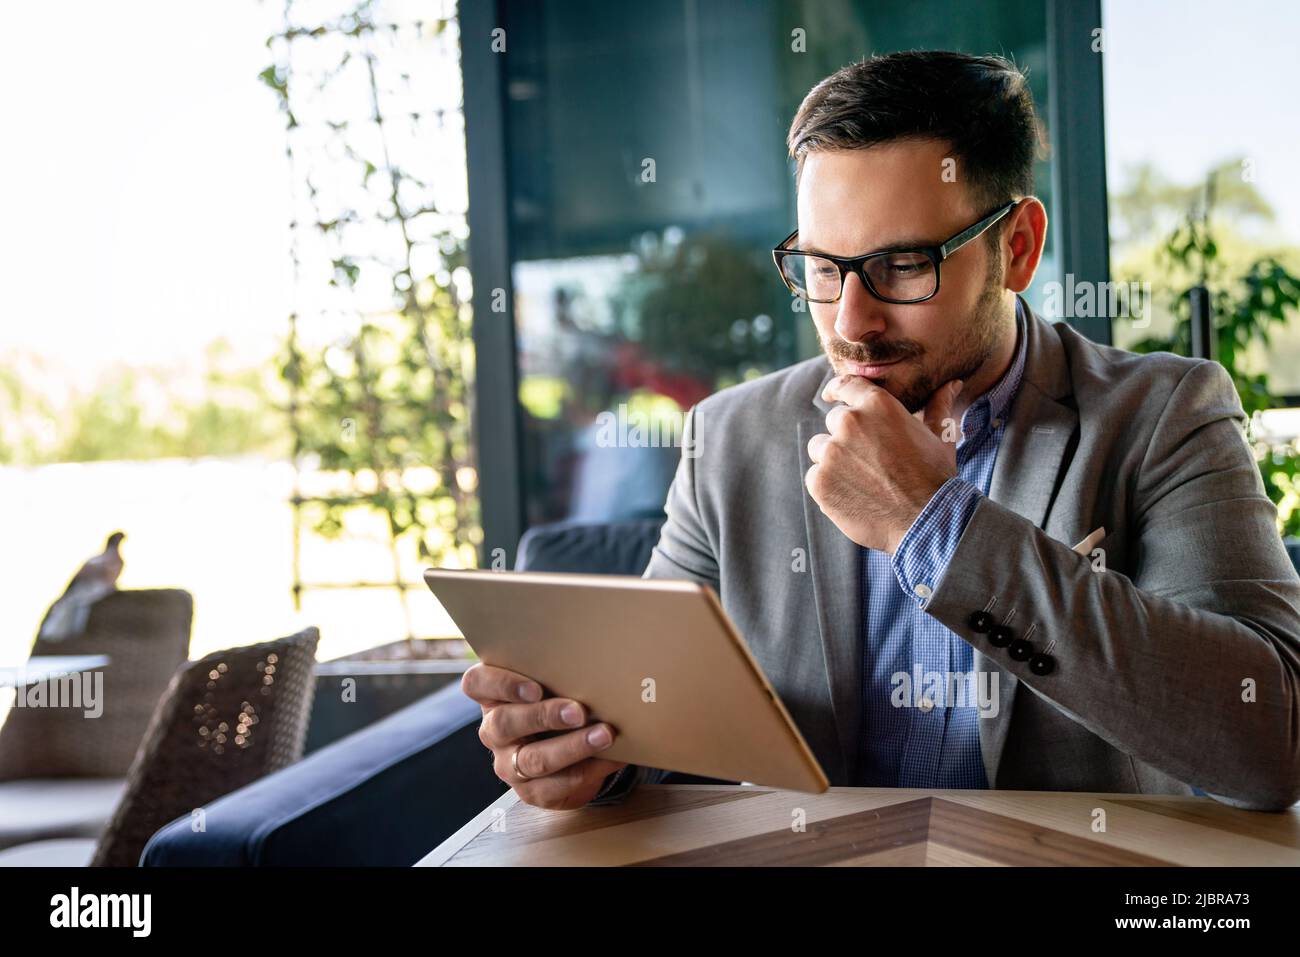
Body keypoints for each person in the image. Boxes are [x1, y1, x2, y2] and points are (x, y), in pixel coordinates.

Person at [463, 50, 1300, 812]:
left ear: (1018, 246)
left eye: (902, 265)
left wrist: (935, 526)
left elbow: (1273, 743)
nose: (851, 321)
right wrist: (588, 748)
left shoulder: (1162, 416)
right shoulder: (730, 439)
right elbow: (646, 701)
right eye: (824, 269)